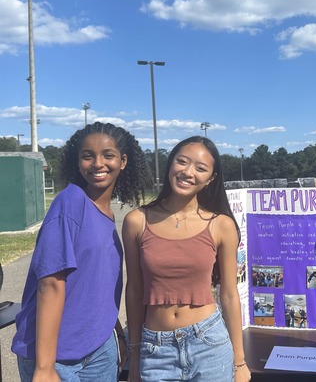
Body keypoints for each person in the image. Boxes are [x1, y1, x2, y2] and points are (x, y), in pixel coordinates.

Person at [11, 122, 150, 381]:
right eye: (88, 156)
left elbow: (96, 288)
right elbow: (51, 283)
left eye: (108, 155)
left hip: (99, 350)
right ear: (78, 163)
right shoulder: (70, 202)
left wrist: (116, 333)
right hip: (56, 357)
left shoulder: (107, 215)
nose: (98, 163)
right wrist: (44, 367)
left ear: (123, 161)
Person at [123, 136, 251, 382]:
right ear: (171, 164)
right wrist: (135, 354)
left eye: (200, 168)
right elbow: (135, 289)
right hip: (155, 349)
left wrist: (239, 361)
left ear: (210, 179)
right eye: (182, 162)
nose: (188, 172)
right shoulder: (136, 220)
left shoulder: (221, 225)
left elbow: (229, 294)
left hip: (209, 345)